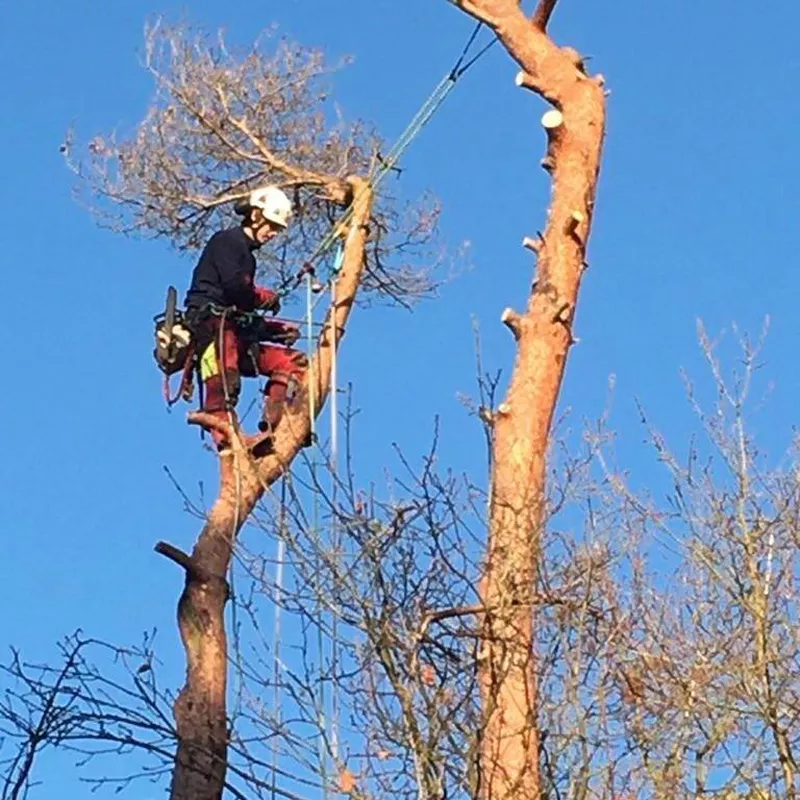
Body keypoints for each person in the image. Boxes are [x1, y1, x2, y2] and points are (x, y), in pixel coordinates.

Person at [184, 185, 307, 452]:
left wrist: (272, 330)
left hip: (233, 330)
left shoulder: (247, 257)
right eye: (271, 225)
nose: (273, 233)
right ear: (255, 215)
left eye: (277, 229)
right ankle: (229, 444)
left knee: (293, 363)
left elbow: (242, 310)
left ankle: (277, 426)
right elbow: (235, 289)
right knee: (224, 384)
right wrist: (262, 297)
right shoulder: (227, 241)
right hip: (211, 328)